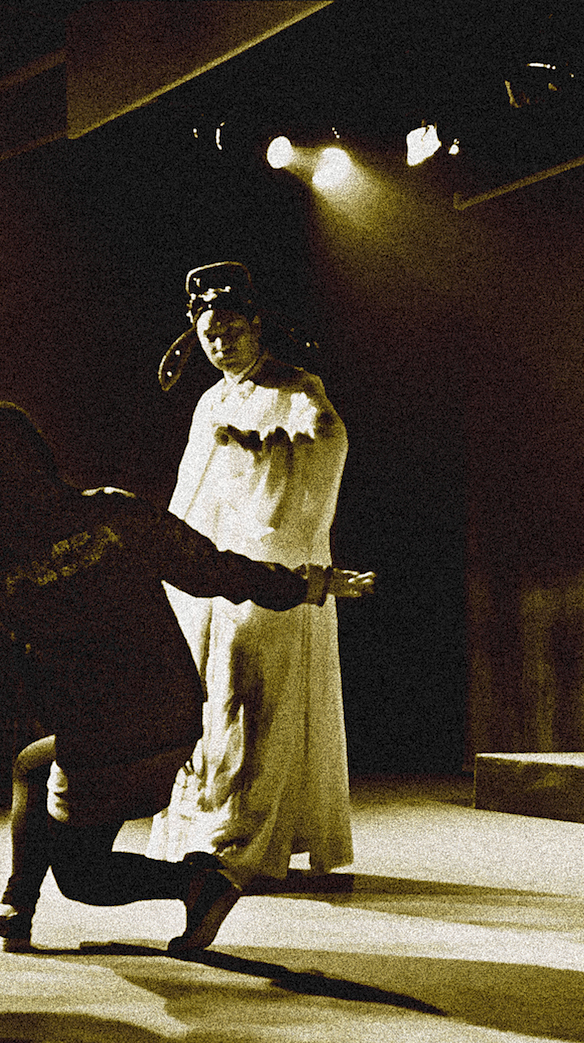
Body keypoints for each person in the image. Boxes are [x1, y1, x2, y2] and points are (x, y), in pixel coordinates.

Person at [0, 400, 374, 954]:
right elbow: (211, 569)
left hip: (105, 744)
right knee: (32, 765)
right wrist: (307, 584)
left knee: (84, 879)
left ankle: (199, 884)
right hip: (173, 717)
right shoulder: (112, 512)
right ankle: (16, 907)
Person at [146, 262, 355, 890]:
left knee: (256, 698)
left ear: (257, 326)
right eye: (210, 335)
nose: (221, 344)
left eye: (232, 331)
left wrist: (267, 445)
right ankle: (206, 828)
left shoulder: (297, 387)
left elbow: (326, 439)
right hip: (214, 572)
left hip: (270, 564)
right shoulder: (211, 399)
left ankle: (249, 837)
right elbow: (191, 489)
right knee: (210, 698)